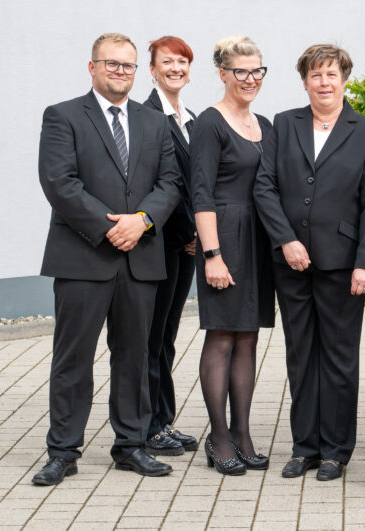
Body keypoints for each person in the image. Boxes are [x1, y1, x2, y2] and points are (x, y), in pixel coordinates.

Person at [33, 33, 180, 485]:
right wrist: (109, 226)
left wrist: (142, 221)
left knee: (135, 356)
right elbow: (59, 181)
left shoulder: (154, 123)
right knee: (73, 357)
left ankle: (131, 445)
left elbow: (171, 182)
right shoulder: (63, 116)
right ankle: (63, 450)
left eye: (128, 66)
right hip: (82, 256)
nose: (121, 72)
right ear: (92, 67)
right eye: (111, 64)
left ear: (138, 72)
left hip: (141, 257)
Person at [254, 44, 365, 482]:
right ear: (305, 81)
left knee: (339, 358)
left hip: (343, 264)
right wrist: (286, 240)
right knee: (300, 356)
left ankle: (335, 450)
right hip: (291, 263)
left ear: (344, 79)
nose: (324, 82)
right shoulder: (284, 124)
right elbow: (265, 187)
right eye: (316, 75)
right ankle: (304, 446)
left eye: (332, 74)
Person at [191, 35, 276, 476]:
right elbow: (200, 192)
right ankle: (219, 437)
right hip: (225, 237)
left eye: (257, 70)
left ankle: (242, 433)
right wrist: (212, 254)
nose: (250, 79)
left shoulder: (264, 123)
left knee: (248, 337)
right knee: (222, 335)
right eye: (240, 71)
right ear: (223, 73)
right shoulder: (210, 122)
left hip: (258, 240)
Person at [142, 36, 198, 458]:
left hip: (187, 246)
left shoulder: (189, 119)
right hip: (161, 243)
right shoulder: (147, 117)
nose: (176, 68)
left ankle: (163, 420)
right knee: (150, 336)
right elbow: (164, 184)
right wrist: (190, 232)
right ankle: (147, 425)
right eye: (168, 62)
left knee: (167, 336)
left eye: (182, 61)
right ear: (153, 69)